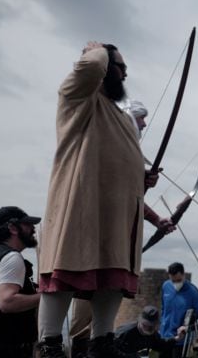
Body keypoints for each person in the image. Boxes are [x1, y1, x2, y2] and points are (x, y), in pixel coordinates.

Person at [37, 41, 155, 358]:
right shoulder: (78, 100)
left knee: (111, 276)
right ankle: (49, 345)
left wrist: (141, 182)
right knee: (65, 269)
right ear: (104, 68)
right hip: (80, 205)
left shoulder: (121, 119)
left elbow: (117, 164)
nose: (125, 74)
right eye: (120, 68)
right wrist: (99, 49)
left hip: (116, 214)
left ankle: (102, 341)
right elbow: (89, 68)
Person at [68, 99, 175, 358]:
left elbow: (129, 198)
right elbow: (105, 191)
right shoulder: (103, 146)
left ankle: (97, 349)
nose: (145, 124)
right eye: (140, 118)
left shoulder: (128, 154)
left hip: (113, 240)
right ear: (128, 119)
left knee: (105, 301)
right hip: (92, 235)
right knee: (83, 307)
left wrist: (154, 214)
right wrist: (139, 181)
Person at [0, 206, 42, 357]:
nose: (33, 228)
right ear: (13, 228)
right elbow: (7, 302)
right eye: (27, 224)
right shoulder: (12, 258)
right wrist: (48, 296)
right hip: (9, 348)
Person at [160, 262, 198, 358]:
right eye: (173, 281)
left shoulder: (193, 292)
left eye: (178, 280)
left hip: (181, 342)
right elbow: (163, 308)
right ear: (169, 276)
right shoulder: (166, 286)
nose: (176, 283)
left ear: (183, 274)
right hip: (165, 338)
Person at [114, 305, 186, 356]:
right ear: (140, 321)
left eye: (152, 326)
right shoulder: (125, 332)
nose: (148, 328)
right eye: (146, 325)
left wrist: (177, 338)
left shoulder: (152, 334)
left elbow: (160, 345)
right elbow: (111, 349)